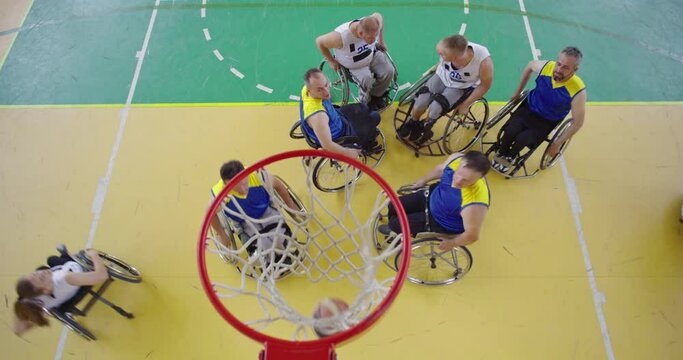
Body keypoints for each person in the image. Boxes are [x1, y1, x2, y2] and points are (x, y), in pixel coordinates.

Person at [493, 46, 587, 172]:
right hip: (528, 108)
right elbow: (529, 66)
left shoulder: (578, 90)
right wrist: (518, 92)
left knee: (522, 139)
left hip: (546, 121)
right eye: (559, 64)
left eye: (565, 67)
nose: (559, 69)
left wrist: (557, 143)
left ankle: (511, 156)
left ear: (575, 70)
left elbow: (578, 123)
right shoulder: (546, 67)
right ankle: (502, 151)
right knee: (510, 130)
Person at [379, 150, 490, 251]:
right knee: (393, 205)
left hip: (441, 221)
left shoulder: (474, 204)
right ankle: (397, 229)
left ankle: (395, 231)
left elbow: (472, 236)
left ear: (479, 179)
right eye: (458, 174)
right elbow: (440, 169)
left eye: (466, 180)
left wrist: (452, 242)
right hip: (433, 196)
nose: (458, 181)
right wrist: (423, 180)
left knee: (395, 224)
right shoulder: (456, 159)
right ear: (461, 162)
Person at [398, 34, 493, 144]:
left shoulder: (483, 61)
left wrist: (466, 104)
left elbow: (485, 85)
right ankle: (413, 122)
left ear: (455, 58)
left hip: (460, 86)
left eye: (441, 54)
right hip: (442, 76)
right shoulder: (451, 47)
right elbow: (441, 61)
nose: (440, 55)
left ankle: (425, 125)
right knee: (420, 101)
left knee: (436, 108)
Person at [209, 160, 301, 266]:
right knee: (260, 255)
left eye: (244, 183)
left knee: (282, 239)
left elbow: (279, 186)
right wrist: (222, 234)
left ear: (246, 175)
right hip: (243, 220)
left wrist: (291, 206)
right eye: (237, 188)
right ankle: (268, 260)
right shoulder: (220, 194)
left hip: (266, 210)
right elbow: (210, 214)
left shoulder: (257, 176)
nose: (243, 190)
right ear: (226, 185)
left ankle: (283, 251)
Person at [13, 247, 108, 336]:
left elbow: (20, 327)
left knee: (48, 263)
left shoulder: (32, 300)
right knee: (51, 259)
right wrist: (94, 255)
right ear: (45, 290)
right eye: (42, 278)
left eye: (35, 274)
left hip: (63, 300)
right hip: (77, 274)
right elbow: (102, 276)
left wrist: (32, 321)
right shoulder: (66, 277)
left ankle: (65, 255)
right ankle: (68, 254)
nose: (42, 272)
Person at [316, 12, 395, 110]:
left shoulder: (373, 23)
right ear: (361, 33)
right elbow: (319, 41)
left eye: (375, 37)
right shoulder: (340, 37)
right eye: (370, 38)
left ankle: (376, 96)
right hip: (355, 66)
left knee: (389, 71)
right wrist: (331, 60)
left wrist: (381, 40)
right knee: (367, 80)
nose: (373, 40)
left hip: (372, 55)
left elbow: (378, 15)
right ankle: (366, 102)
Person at [299, 68, 382, 158]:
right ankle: (366, 146)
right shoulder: (319, 117)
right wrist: (348, 153)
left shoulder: (306, 90)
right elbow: (328, 146)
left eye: (326, 85)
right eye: (320, 90)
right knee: (375, 117)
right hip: (341, 134)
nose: (326, 92)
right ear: (309, 90)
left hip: (337, 117)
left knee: (364, 107)